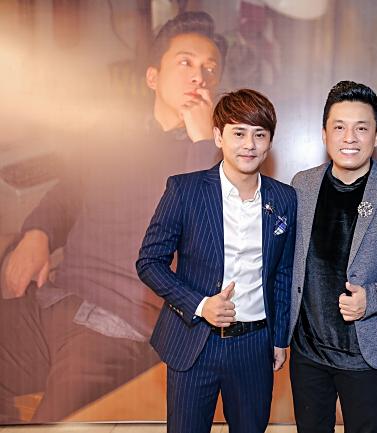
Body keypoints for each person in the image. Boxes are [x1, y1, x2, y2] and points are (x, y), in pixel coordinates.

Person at [0, 11, 226, 422]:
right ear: (153, 77)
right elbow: (69, 191)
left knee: (58, 424)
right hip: (53, 301)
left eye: (210, 69)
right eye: (186, 62)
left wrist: (202, 140)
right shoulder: (116, 138)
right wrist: (37, 233)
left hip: (117, 328)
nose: (200, 76)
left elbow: (207, 238)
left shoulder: (222, 161)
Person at [136, 88, 296, 433]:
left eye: (259, 135)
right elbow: (149, 262)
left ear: (269, 142)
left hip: (255, 344)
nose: (249, 145)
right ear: (218, 136)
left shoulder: (285, 198)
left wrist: (280, 338)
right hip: (195, 340)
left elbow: (283, 273)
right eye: (238, 133)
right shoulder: (185, 190)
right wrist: (200, 305)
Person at [288, 80, 377, 433]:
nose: (349, 138)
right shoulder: (302, 185)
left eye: (361, 128)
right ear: (324, 134)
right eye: (339, 127)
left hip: (365, 353)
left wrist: (372, 298)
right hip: (307, 350)